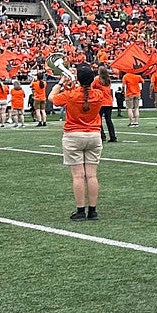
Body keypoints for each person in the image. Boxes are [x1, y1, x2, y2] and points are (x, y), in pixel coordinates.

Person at [50, 64, 112, 221]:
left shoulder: (71, 95)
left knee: (78, 176)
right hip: (94, 135)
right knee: (91, 175)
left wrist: (61, 82)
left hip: (73, 135)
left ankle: (80, 211)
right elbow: (89, 93)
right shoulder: (98, 94)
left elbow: (52, 98)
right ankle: (92, 211)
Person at [95, 66, 117, 142]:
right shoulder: (108, 79)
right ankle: (113, 136)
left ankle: (102, 135)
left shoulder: (97, 79)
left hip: (101, 102)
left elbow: (92, 87)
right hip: (109, 102)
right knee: (109, 120)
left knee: (99, 119)